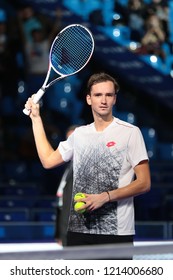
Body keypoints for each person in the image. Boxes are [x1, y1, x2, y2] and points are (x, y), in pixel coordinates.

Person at [24, 72, 151, 249]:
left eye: (109, 95)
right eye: (98, 95)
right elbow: (48, 161)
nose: (104, 100)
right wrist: (36, 119)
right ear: (89, 99)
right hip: (79, 231)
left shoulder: (131, 132)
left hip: (116, 232)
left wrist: (105, 197)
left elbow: (144, 183)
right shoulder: (79, 134)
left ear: (115, 99)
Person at [54, 125, 78, 247]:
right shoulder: (66, 166)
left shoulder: (85, 167)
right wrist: (59, 233)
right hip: (64, 225)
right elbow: (61, 203)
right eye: (68, 140)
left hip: (76, 230)